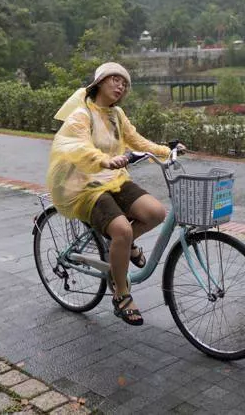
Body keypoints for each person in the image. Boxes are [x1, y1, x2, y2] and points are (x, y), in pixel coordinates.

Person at [47, 62, 184, 326]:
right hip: (85, 185)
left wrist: (168, 151)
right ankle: (121, 293)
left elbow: (137, 141)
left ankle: (122, 247)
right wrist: (103, 159)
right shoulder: (82, 114)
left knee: (156, 212)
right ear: (99, 82)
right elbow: (76, 145)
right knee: (122, 230)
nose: (120, 86)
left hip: (114, 179)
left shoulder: (117, 115)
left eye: (124, 84)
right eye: (115, 80)